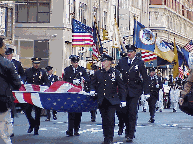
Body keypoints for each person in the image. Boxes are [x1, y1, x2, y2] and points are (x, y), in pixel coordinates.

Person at [116, 45, 150, 142]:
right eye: (128, 52)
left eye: (131, 52)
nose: (129, 53)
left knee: (132, 113)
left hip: (135, 91)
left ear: (135, 52)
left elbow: (145, 77)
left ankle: (130, 133)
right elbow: (116, 73)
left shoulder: (139, 63)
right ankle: (124, 127)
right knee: (122, 112)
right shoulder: (122, 61)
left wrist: (146, 92)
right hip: (123, 91)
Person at [90, 53, 126, 144]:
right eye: (102, 61)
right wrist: (92, 90)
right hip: (102, 100)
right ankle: (106, 137)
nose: (103, 63)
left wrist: (123, 99)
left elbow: (121, 87)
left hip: (112, 100)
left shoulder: (116, 73)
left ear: (110, 62)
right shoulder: (98, 73)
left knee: (110, 119)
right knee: (104, 120)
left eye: (105, 61)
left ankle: (110, 138)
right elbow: (92, 84)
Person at [0, 37, 21, 144]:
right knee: (5, 128)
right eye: (3, 47)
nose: (5, 50)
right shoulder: (7, 64)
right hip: (3, 99)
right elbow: (17, 83)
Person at [63, 55, 90, 136]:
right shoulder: (67, 70)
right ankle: (70, 130)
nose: (76, 64)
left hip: (79, 93)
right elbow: (65, 80)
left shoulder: (82, 69)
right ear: (71, 62)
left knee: (78, 113)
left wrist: (82, 79)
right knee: (71, 112)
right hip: (71, 93)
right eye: (74, 62)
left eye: (77, 62)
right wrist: (72, 81)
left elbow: (87, 79)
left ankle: (76, 129)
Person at [23, 57, 50, 135]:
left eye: (38, 63)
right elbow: (24, 80)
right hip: (30, 94)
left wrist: (44, 87)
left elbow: (47, 82)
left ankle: (36, 128)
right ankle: (32, 123)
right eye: (35, 63)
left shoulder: (43, 72)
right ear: (32, 63)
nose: (36, 65)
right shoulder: (28, 71)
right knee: (27, 110)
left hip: (38, 95)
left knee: (38, 112)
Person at [4, 47, 25, 137]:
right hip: (4, 88)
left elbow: (22, 74)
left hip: (13, 89)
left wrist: (21, 82)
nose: (8, 56)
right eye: (6, 54)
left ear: (12, 55)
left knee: (11, 109)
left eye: (9, 54)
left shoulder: (16, 64)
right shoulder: (2, 63)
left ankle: (10, 129)